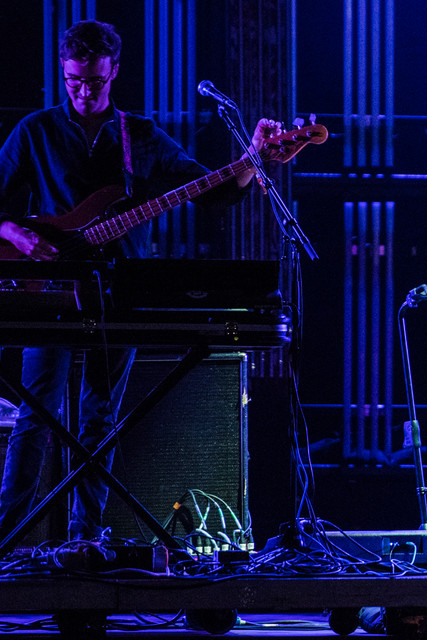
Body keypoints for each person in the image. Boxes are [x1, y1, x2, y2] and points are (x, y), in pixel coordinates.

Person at [0, 20, 280, 543]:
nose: (84, 92)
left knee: (99, 418)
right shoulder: (34, 131)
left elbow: (209, 190)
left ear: (115, 73)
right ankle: (7, 540)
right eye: (73, 81)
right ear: (63, 72)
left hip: (116, 292)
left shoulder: (141, 137)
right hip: (51, 291)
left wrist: (249, 162)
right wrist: (16, 233)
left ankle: (86, 540)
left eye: (96, 82)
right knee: (36, 416)